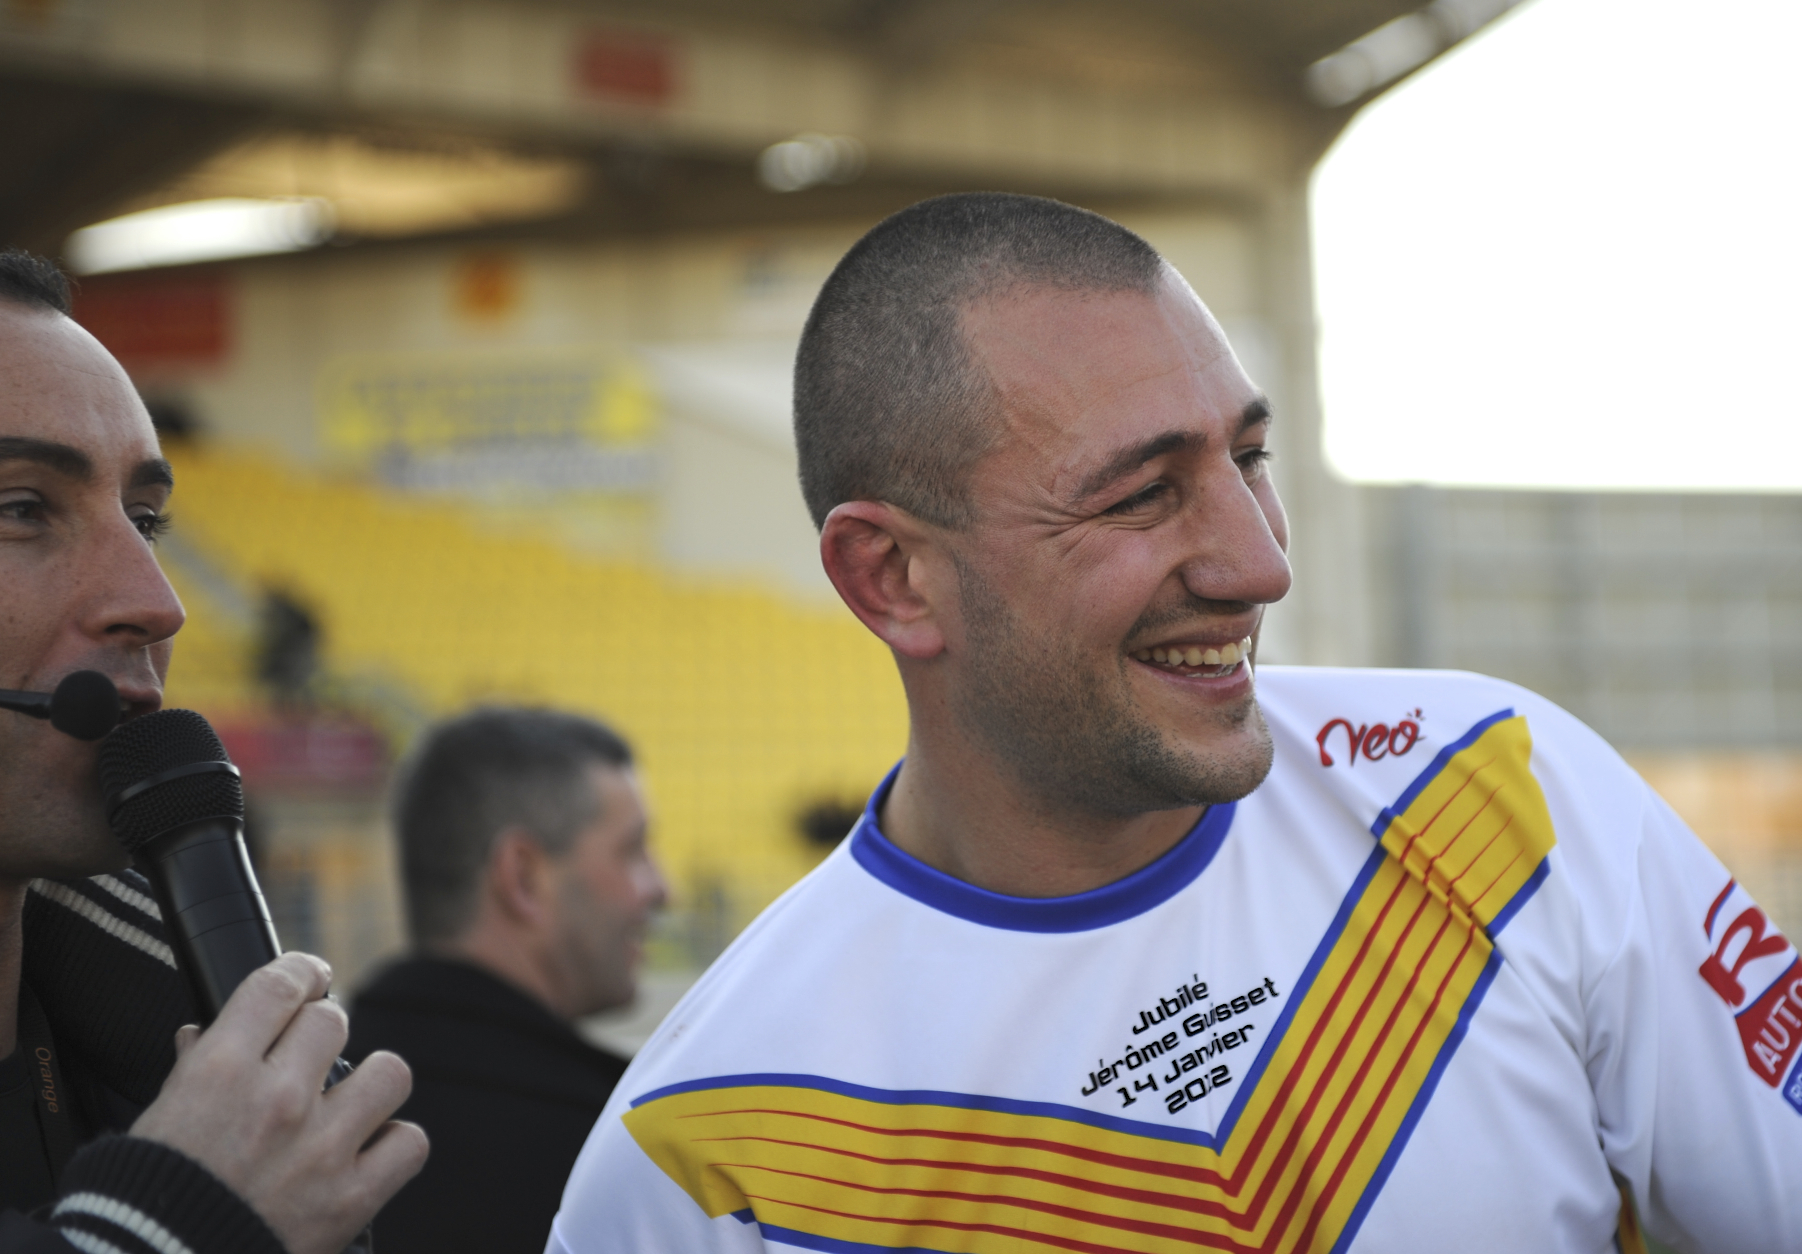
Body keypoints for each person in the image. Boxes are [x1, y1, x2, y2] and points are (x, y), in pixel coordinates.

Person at [549, 194, 1802, 1253]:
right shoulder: (700, 1152)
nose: (1258, 566)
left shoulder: (1495, 788)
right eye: (1142, 495)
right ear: (893, 578)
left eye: (1247, 459)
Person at [0, 249, 429, 1253]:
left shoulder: (149, 1035)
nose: (158, 603)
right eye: (20, 509)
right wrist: (179, 1226)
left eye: (147, 520)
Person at [346, 707, 668, 1254]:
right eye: (632, 850)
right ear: (523, 876)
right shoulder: (612, 1151)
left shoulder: (304, 1123)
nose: (661, 888)